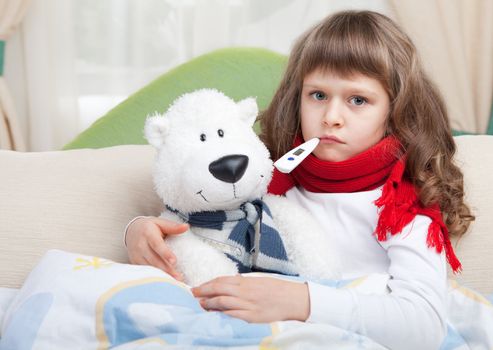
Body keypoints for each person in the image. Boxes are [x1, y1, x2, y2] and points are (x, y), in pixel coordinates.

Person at [124, 10, 474, 349]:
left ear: (395, 110)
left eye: (358, 100)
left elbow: (423, 325)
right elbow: (197, 223)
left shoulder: (401, 204)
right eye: (318, 95)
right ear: (298, 98)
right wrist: (141, 230)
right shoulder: (266, 177)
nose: (331, 117)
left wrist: (303, 301)